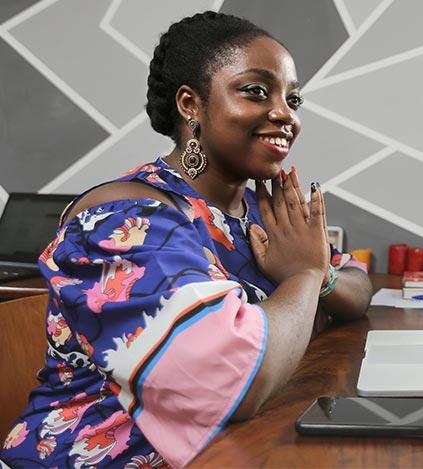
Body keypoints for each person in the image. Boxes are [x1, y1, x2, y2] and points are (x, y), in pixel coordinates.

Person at [0, 11, 372, 468]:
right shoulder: (124, 220)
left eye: (293, 99)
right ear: (190, 104)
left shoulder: (261, 212)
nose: (285, 114)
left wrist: (322, 275)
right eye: (256, 90)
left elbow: (357, 282)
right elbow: (231, 384)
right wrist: (307, 274)